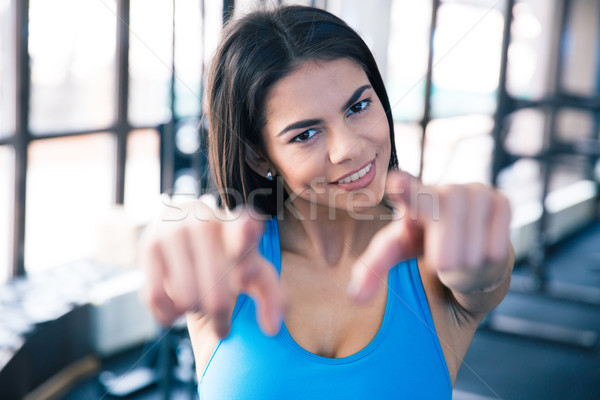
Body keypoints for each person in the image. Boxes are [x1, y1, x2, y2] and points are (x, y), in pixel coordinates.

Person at [140, 5, 514, 399]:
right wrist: (172, 225)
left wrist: (482, 254)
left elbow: (484, 277)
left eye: (359, 107)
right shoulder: (231, 264)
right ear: (259, 157)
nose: (349, 147)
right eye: (305, 135)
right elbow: (187, 226)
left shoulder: (435, 262)